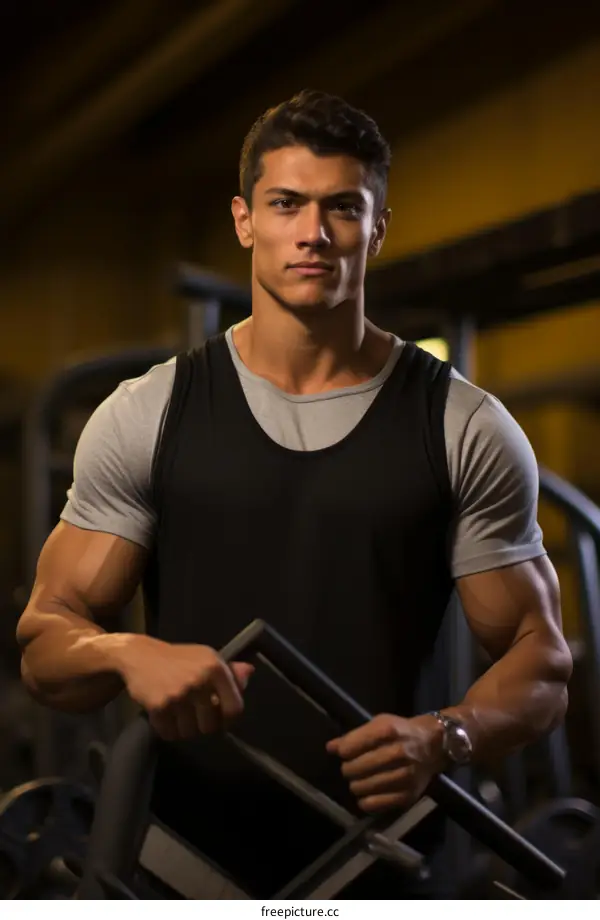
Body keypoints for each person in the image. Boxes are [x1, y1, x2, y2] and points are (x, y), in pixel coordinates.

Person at [16, 89, 572, 898]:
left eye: (343, 208)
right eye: (287, 204)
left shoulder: (462, 425)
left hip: (388, 862)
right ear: (245, 220)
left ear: (377, 228)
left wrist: (444, 736)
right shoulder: (150, 413)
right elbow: (44, 642)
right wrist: (127, 653)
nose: (313, 233)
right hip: (183, 867)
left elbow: (541, 661)